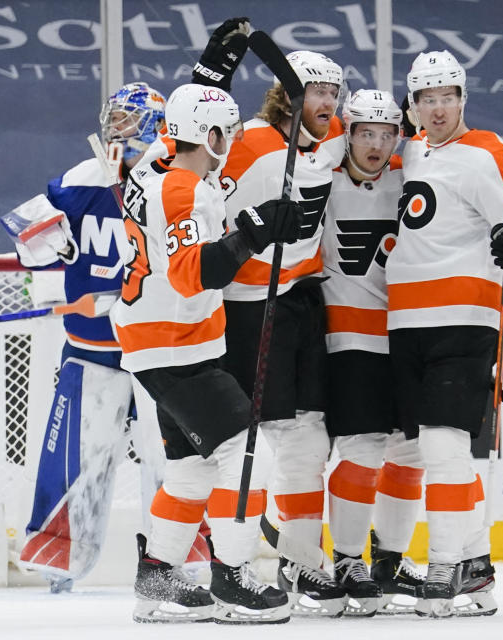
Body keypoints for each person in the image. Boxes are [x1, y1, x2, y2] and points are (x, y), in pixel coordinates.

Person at [111, 83, 303, 624]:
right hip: (172, 345)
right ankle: (233, 578)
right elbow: (195, 274)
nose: (236, 138)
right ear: (211, 135)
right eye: (230, 130)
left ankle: (158, 579)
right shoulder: (183, 190)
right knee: (249, 457)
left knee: (193, 468)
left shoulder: (154, 168)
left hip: (164, 341)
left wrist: (217, 66)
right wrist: (255, 230)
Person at [387, 50, 503, 618]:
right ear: (411, 104)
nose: (438, 109)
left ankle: (442, 568)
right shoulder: (401, 149)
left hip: (463, 318)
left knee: (443, 445)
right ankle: (477, 567)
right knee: (417, 451)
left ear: (463, 99)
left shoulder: (490, 151)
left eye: (448, 97)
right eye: (426, 98)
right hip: (403, 322)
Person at [0, 82, 169, 593]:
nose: (116, 128)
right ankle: (61, 563)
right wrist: (46, 247)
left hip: (163, 348)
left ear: (155, 126)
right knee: (79, 459)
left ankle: (182, 559)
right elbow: (28, 239)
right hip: (92, 348)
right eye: (113, 117)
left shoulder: (175, 181)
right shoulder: (81, 179)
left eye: (127, 119)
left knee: (171, 463)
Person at [217, 49, 349, 618]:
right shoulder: (247, 143)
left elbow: (385, 134)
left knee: (311, 439)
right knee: (257, 443)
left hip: (302, 301)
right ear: (287, 94)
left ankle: (299, 557)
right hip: (249, 307)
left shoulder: (332, 136)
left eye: (332, 93)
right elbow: (200, 203)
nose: (327, 103)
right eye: (315, 91)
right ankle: (231, 563)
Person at [320, 89, 426, 616]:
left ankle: (389, 560)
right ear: (348, 134)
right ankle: (345, 558)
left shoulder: (411, 177)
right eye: (366, 133)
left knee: (410, 453)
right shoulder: (324, 178)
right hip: (349, 339)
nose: (377, 144)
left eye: (387, 134)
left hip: (403, 335)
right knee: (361, 450)